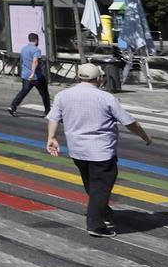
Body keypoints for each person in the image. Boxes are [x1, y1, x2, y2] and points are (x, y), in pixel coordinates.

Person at [46, 62, 152, 237]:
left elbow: (53, 118)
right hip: (101, 151)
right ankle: (96, 225)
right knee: (101, 187)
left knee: (92, 184)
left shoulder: (63, 95)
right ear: (100, 78)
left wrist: (51, 137)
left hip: (77, 150)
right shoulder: (105, 98)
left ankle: (103, 212)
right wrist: (146, 137)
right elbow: (129, 122)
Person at [7, 33, 50, 116]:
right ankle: (48, 112)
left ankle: (13, 106)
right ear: (36, 40)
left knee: (23, 91)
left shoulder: (23, 49)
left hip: (26, 76)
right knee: (45, 94)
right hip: (37, 77)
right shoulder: (36, 50)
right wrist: (33, 73)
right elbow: (35, 61)